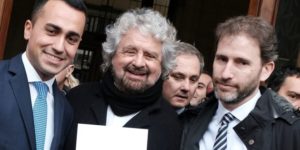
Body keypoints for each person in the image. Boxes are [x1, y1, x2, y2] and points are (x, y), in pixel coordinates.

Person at [65, 8, 182, 150]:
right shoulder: (77, 99)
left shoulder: (170, 125)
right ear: (111, 55)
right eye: (130, 51)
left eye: (150, 56)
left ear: (162, 65)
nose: (138, 63)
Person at [180, 16, 300, 150]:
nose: (225, 74)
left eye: (242, 63)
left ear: (265, 70)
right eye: (222, 59)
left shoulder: (289, 132)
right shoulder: (189, 120)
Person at [0, 0, 86, 150]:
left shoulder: (65, 110)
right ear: (28, 29)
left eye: (71, 39)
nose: (59, 47)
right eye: (52, 31)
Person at [162, 41, 204, 114]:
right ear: (161, 75)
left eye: (193, 80)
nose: (186, 88)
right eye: (178, 77)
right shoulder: (138, 115)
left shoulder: (202, 123)